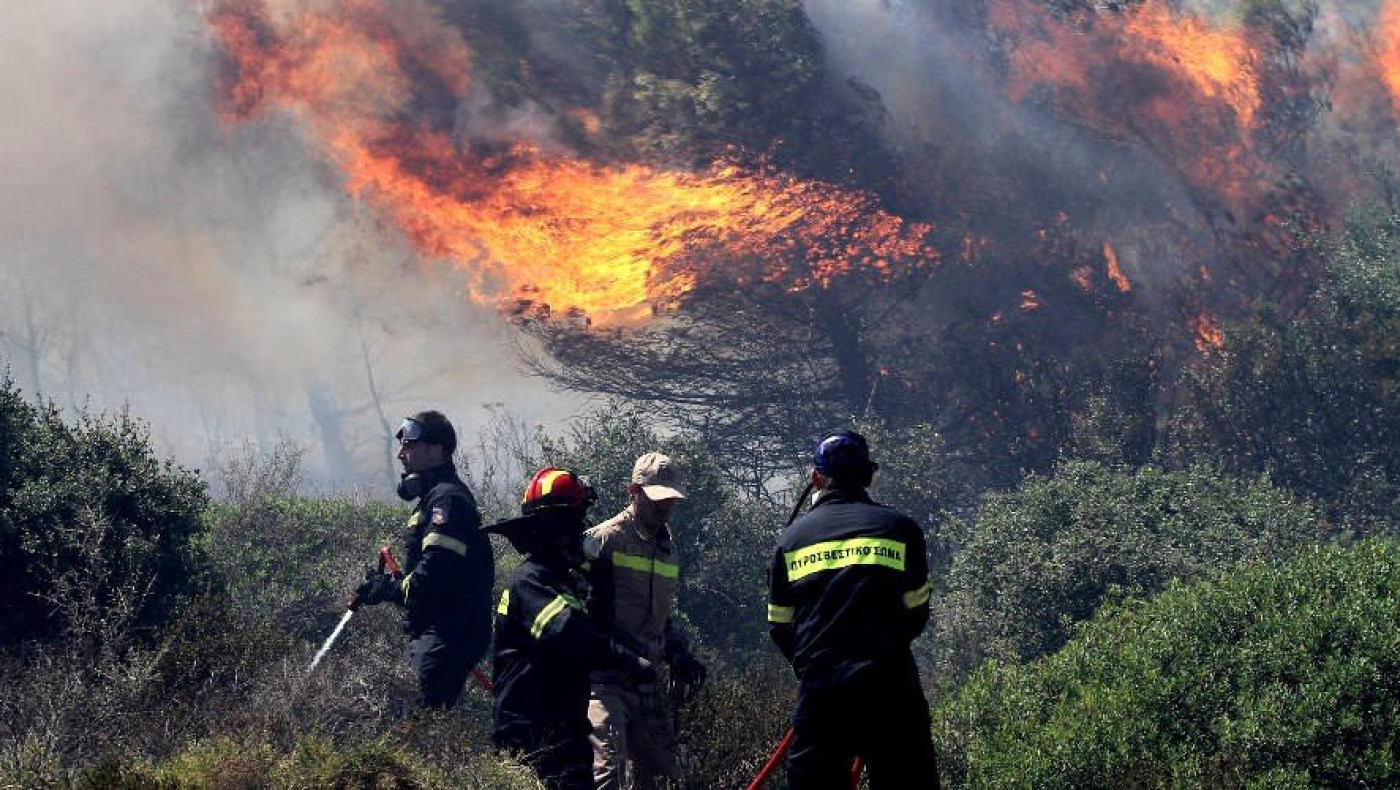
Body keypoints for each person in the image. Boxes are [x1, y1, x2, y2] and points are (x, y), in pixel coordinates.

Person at [766, 430, 940, 789]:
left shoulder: (791, 540)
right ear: (869, 476)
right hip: (891, 690)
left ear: (816, 478)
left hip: (823, 694)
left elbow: (780, 625)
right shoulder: (901, 530)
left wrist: (812, 665)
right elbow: (917, 613)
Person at [489, 467, 658, 790]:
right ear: (554, 528)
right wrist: (629, 661)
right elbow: (569, 636)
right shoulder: (530, 582)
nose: (581, 531)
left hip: (566, 733)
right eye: (575, 522)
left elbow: (597, 630)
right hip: (529, 738)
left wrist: (602, 585)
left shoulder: (564, 583)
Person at [354, 410, 494, 710]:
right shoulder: (433, 499)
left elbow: (431, 577)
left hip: (450, 631)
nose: (401, 454)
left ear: (437, 450)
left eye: (410, 445)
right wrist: (385, 584)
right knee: (411, 715)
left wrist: (388, 589)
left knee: (413, 719)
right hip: (439, 629)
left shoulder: (448, 501)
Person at [583, 451, 706, 790]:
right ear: (633, 492)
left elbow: (661, 616)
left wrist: (678, 651)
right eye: (656, 499)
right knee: (608, 774)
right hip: (605, 682)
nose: (665, 508)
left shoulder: (667, 547)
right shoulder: (604, 540)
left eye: (670, 500)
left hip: (648, 682)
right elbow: (585, 620)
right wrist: (623, 655)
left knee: (662, 775)